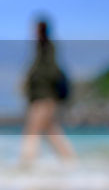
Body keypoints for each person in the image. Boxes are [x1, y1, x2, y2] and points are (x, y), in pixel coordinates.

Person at [20, 18, 76, 167]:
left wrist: (31, 82)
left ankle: (27, 164)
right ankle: (69, 160)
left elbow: (50, 72)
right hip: (45, 96)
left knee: (32, 130)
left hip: (44, 97)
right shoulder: (43, 48)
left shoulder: (46, 47)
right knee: (51, 130)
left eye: (35, 29)